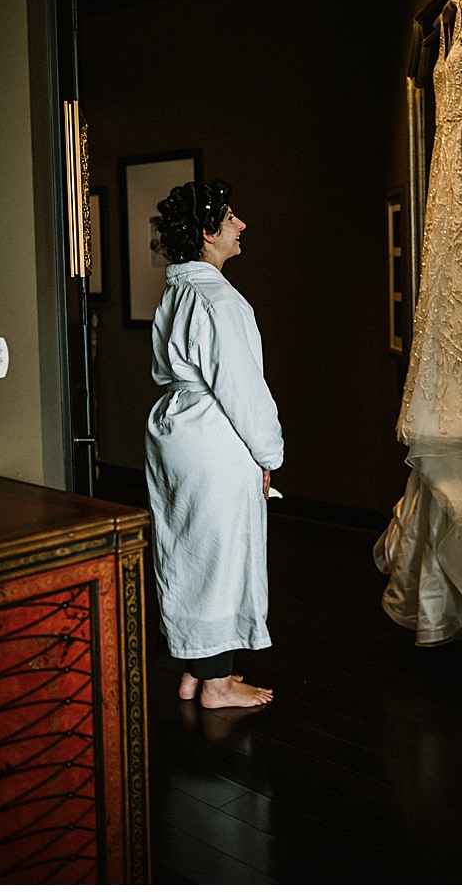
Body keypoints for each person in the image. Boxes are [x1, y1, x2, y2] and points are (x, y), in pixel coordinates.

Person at [144, 179, 284, 709]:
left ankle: (193, 671)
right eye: (229, 218)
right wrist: (268, 455)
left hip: (177, 432)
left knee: (187, 550)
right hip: (214, 433)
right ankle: (219, 684)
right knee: (223, 556)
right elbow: (244, 391)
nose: (240, 225)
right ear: (206, 234)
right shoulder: (220, 300)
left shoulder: (177, 291)